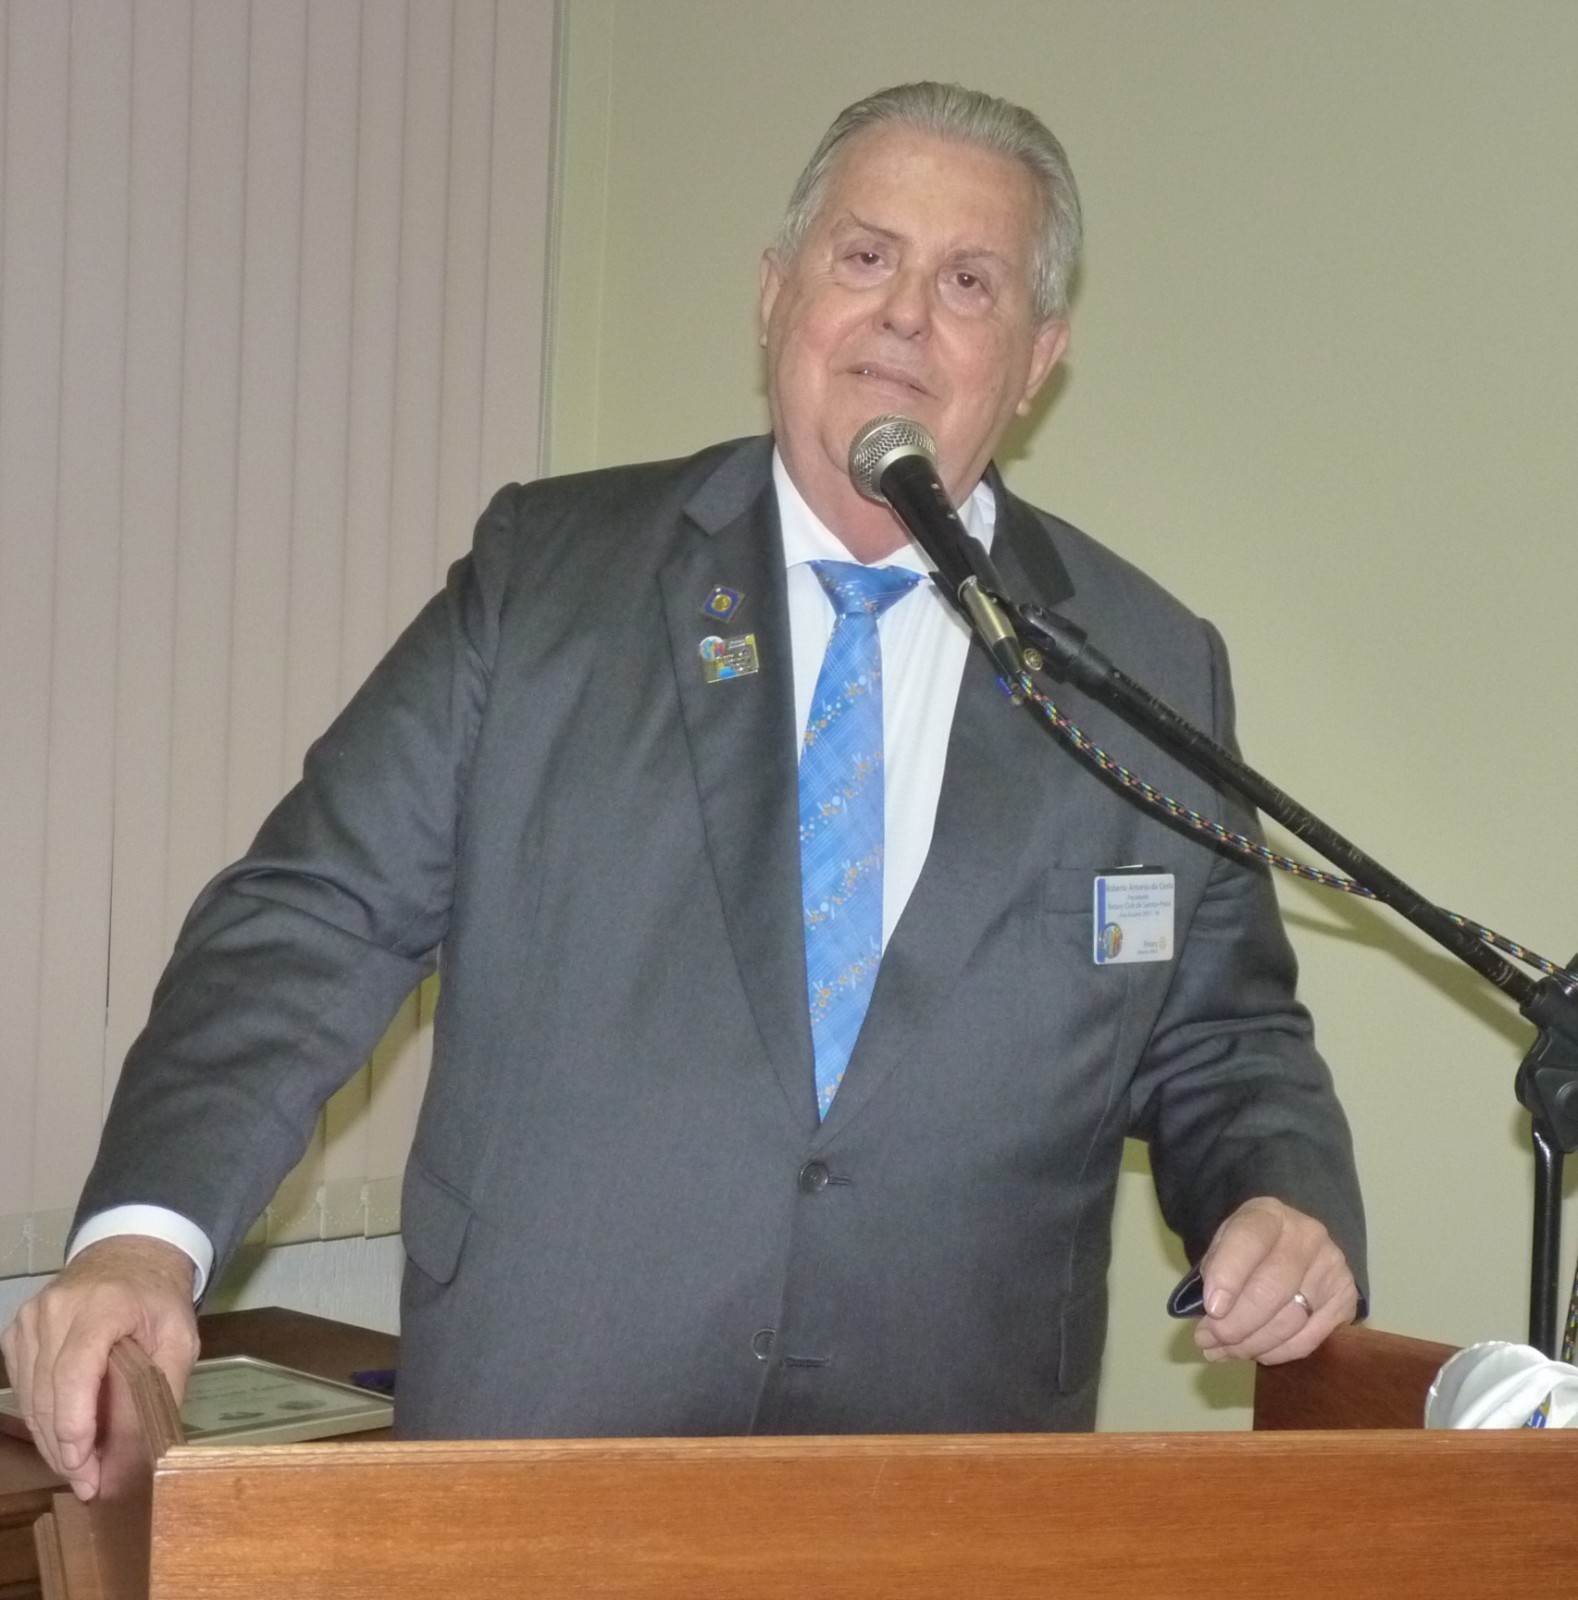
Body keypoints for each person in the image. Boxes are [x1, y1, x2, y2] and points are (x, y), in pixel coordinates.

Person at [3, 82, 1363, 1500]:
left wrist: (1280, 1196)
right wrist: (142, 1240)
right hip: (549, 1443)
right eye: (864, 256)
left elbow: (1224, 1040)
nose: (906, 315)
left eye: (970, 282)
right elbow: (312, 919)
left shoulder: (1138, 664)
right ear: (775, 296)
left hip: (951, 1478)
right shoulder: (550, 579)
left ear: (1037, 362)